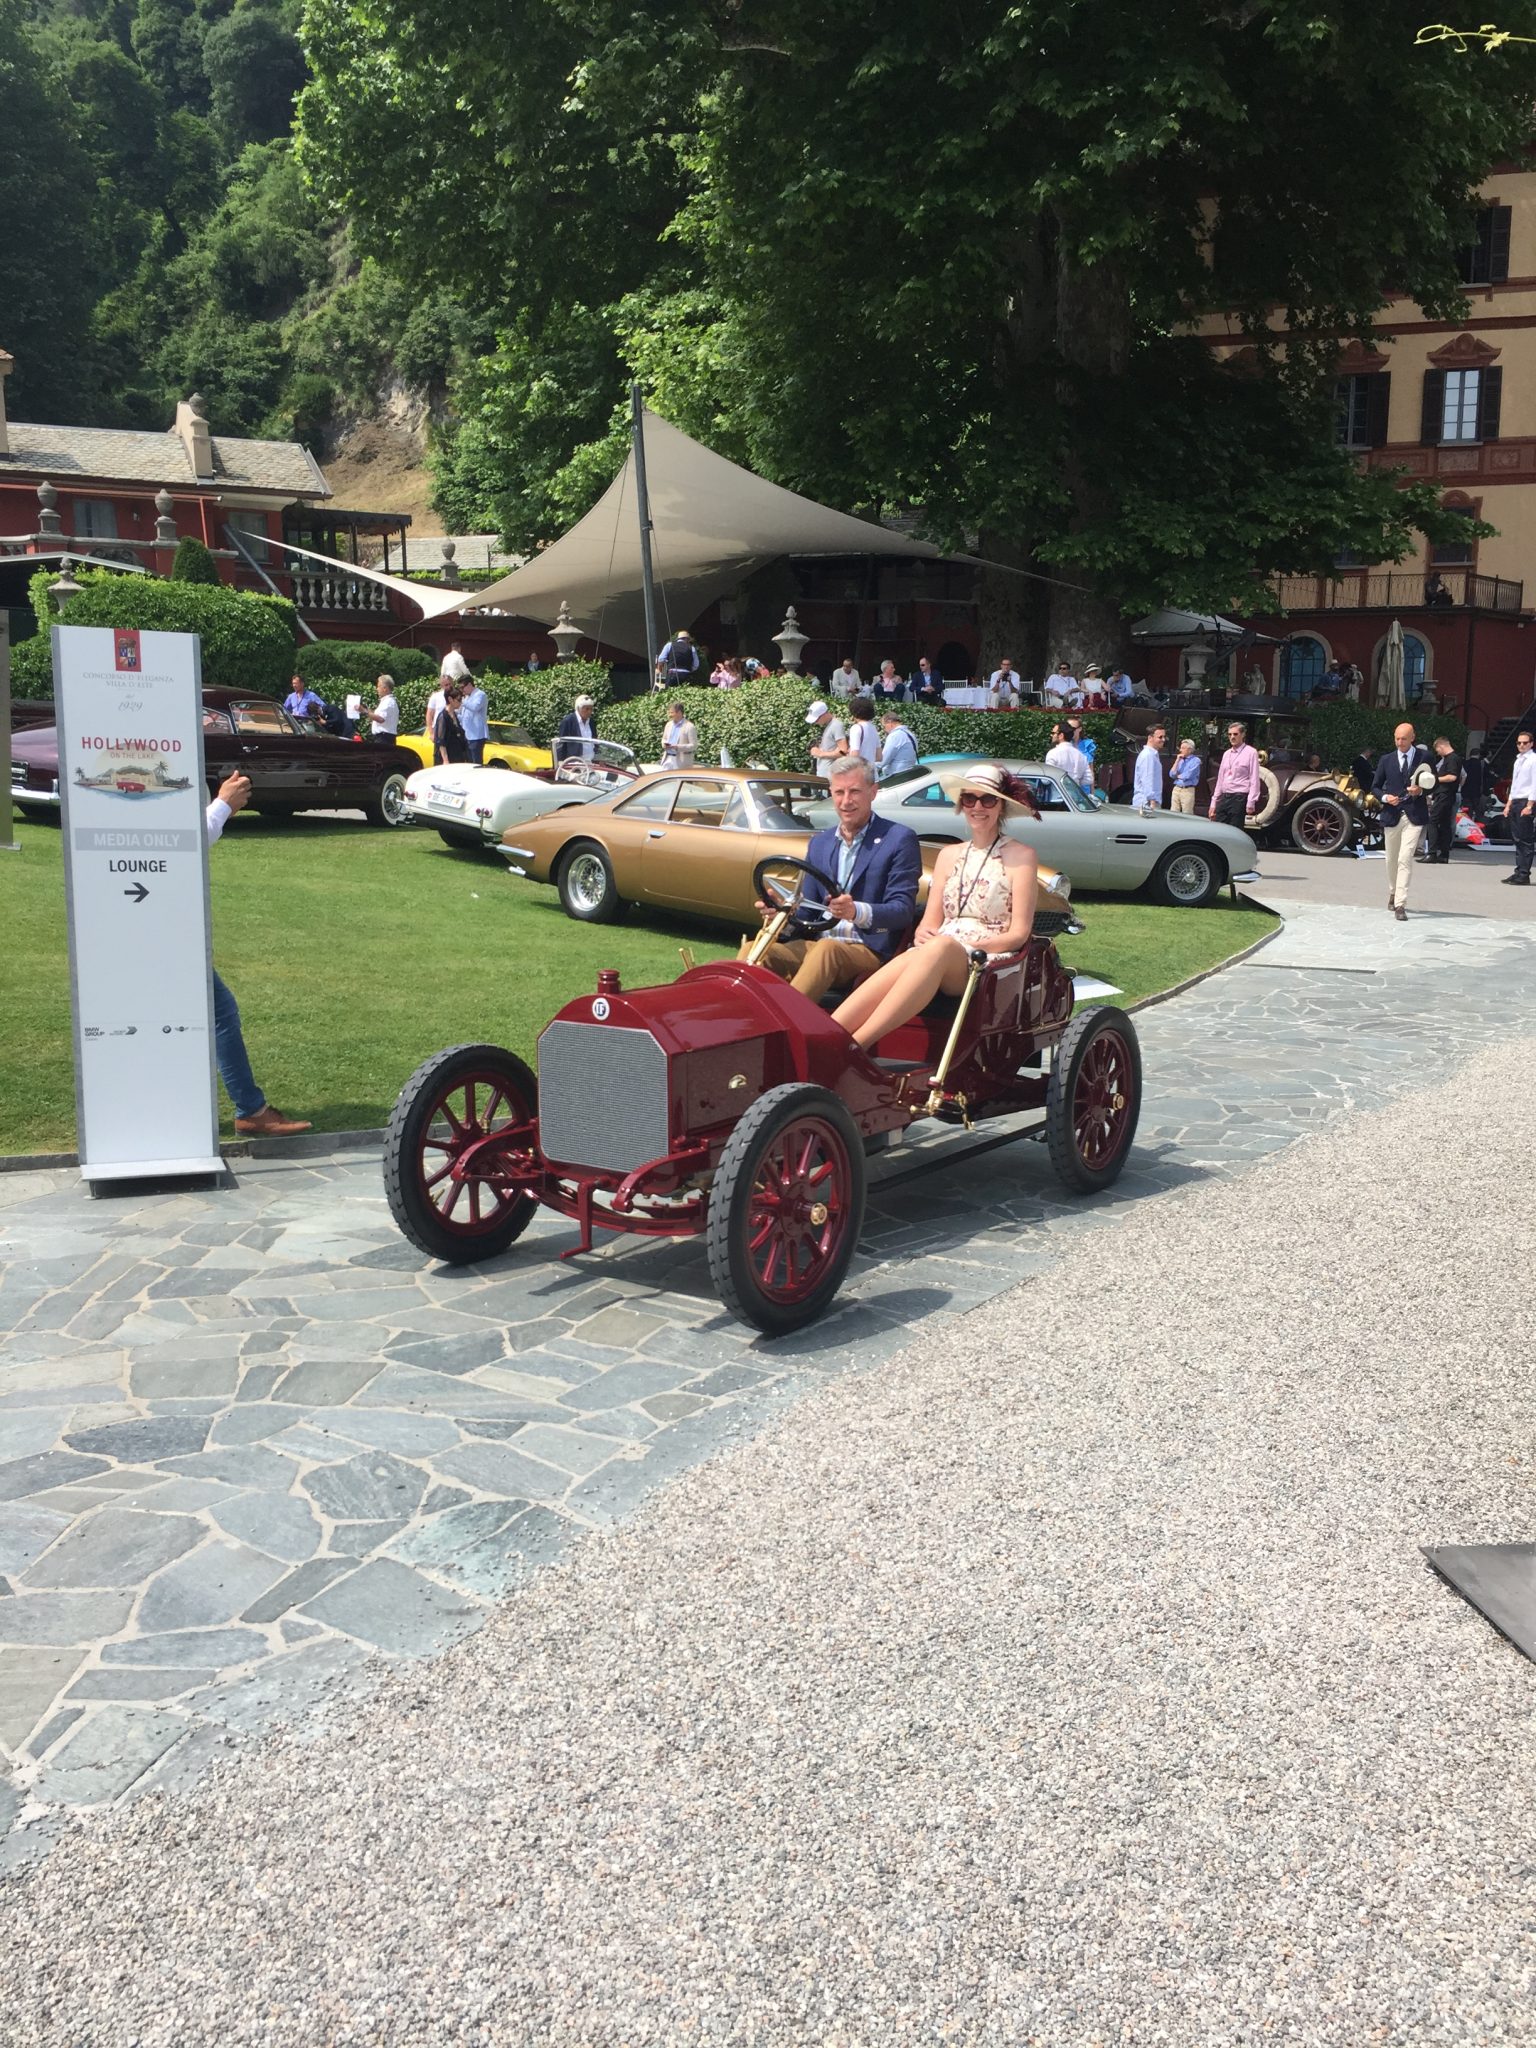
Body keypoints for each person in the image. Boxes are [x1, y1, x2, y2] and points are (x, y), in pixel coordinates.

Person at [831, 763, 1039, 1050]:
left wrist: (968, 946)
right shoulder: (948, 855)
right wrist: (923, 934)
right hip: (937, 950)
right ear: (961, 805)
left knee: (939, 947)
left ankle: (857, 1045)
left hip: (985, 961)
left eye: (988, 800)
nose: (978, 807)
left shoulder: (1022, 856)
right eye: (969, 799)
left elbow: (1018, 934)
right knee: (917, 954)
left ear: (1001, 806)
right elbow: (930, 922)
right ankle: (827, 1037)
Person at [744, 756, 921, 1002]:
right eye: (839, 792)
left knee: (828, 950)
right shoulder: (820, 843)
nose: (846, 801)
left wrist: (855, 911)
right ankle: (740, 1016)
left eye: (854, 792)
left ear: (873, 792)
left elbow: (902, 911)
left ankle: (788, 1019)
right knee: (755, 948)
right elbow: (807, 915)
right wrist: (782, 914)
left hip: (868, 948)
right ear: (831, 793)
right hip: (819, 944)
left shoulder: (899, 839)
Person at [206, 773, 311, 1138]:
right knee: (220, 1012)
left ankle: (249, 1108)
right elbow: (182, 842)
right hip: (163, 932)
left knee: (215, 1011)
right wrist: (222, 805)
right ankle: (250, 1110)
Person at [1371, 721, 1431, 919]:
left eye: (1404, 739)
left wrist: (1420, 790)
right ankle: (1393, 891)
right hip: (1391, 814)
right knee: (1391, 859)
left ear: (1413, 738)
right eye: (1397, 738)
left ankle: (1400, 904)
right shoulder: (1386, 760)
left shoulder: (1425, 757)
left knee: (1405, 858)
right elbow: (1375, 786)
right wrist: (1385, 797)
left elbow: (1434, 783)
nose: (1399, 742)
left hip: (1414, 815)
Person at [1209, 720, 1261, 828]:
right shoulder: (1226, 754)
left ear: (1242, 735)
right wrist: (1214, 803)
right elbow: (1220, 779)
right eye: (1230, 734)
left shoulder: (1251, 752)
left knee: (1234, 830)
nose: (1232, 737)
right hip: (1225, 796)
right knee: (1218, 828)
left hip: (1239, 797)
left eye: (1235, 734)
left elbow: (1254, 779)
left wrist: (1251, 802)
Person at [1502, 729, 1536, 886]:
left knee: (1525, 839)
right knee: (1517, 838)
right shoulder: (1518, 760)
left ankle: (1524, 874)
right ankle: (1518, 871)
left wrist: (1530, 805)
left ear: (1531, 744)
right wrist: (1508, 804)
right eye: (1519, 743)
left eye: (1525, 743)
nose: (1521, 745)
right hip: (1516, 800)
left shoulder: (1533, 760)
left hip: (1526, 801)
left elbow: (1534, 784)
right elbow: (1514, 784)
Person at [1426, 733, 1462, 863]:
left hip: (1444, 794)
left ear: (1441, 746)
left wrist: (1434, 779)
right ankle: (1444, 854)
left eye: (1437, 749)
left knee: (1432, 821)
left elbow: (1452, 777)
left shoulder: (1451, 759)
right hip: (1448, 794)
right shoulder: (1453, 758)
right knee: (1445, 824)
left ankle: (1432, 852)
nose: (1438, 753)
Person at [1045, 720, 1092, 795]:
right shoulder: (1081, 755)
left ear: (1061, 735)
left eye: (1053, 733)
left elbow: (1046, 780)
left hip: (1057, 796)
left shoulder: (1053, 753)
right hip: (1074, 797)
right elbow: (1088, 779)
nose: (1051, 735)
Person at [555, 693, 599, 766]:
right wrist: (560, 762)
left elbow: (595, 740)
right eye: (587, 709)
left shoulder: (591, 722)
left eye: (591, 709)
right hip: (574, 764)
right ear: (579, 708)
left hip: (590, 762)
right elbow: (561, 743)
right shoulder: (568, 721)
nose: (589, 712)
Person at [806, 699, 847, 777]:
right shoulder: (830, 725)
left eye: (817, 719)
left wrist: (821, 754)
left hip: (830, 775)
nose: (815, 722)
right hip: (824, 774)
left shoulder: (836, 725)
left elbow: (843, 752)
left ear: (824, 714)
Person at [433, 683, 470, 765]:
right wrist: (445, 760)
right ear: (450, 699)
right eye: (459, 700)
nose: (461, 702)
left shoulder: (454, 715)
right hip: (447, 758)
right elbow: (441, 741)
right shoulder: (443, 717)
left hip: (457, 755)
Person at [1133, 724, 1166, 811]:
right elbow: (1147, 779)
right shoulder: (1148, 755)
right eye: (1160, 737)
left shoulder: (1152, 755)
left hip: (1148, 802)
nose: (1163, 739)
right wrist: (1152, 801)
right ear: (1150, 738)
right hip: (1146, 803)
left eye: (1164, 737)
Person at [878, 708, 918, 780]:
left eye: (884, 726)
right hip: (909, 773)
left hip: (897, 777)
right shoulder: (910, 734)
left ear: (890, 723)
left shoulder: (895, 736)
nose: (884, 729)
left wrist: (868, 768)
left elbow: (883, 760)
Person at [459, 675, 489, 764]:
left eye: (462, 687)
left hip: (476, 735)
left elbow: (475, 707)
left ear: (469, 684)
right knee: (468, 763)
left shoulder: (480, 694)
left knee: (476, 763)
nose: (462, 690)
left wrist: (462, 701)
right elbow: (464, 716)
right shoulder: (467, 697)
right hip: (467, 735)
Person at [661, 700, 698, 769]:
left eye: (672, 713)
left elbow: (694, 745)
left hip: (682, 762)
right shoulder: (668, 725)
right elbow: (664, 739)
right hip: (668, 758)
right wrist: (664, 744)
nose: (669, 715)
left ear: (679, 713)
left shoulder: (689, 726)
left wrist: (677, 747)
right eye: (669, 713)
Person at [845, 694, 880, 768]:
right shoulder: (873, 728)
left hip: (860, 771)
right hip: (872, 771)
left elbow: (855, 755)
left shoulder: (856, 728)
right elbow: (879, 756)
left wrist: (848, 756)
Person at [1169, 736, 1202, 813]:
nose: (1180, 750)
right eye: (1180, 748)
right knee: (1173, 813)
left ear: (1190, 750)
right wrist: (1177, 760)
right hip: (1176, 788)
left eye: (1183, 748)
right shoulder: (1180, 760)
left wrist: (1178, 776)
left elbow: (1188, 775)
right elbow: (1171, 774)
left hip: (1187, 790)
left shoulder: (1196, 761)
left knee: (1187, 813)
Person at [1460, 749, 1494, 819]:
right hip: (1477, 791)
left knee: (1467, 811)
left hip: (1465, 791)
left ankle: (1468, 823)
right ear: (1478, 755)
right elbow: (1488, 775)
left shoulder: (1464, 763)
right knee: (1479, 812)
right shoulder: (1481, 764)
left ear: (1470, 755)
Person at [366, 674, 399, 742]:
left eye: (378, 686)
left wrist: (364, 711)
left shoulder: (388, 702)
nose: (377, 689)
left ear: (385, 688)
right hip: (383, 737)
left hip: (384, 738)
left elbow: (381, 719)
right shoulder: (387, 701)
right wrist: (368, 711)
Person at [1066, 718, 1097, 788]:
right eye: (1067, 729)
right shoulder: (1064, 745)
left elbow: (1091, 771)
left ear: (1079, 729)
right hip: (1068, 788)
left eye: (1073, 729)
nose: (1070, 731)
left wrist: (1092, 792)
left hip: (1084, 789)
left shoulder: (1087, 745)